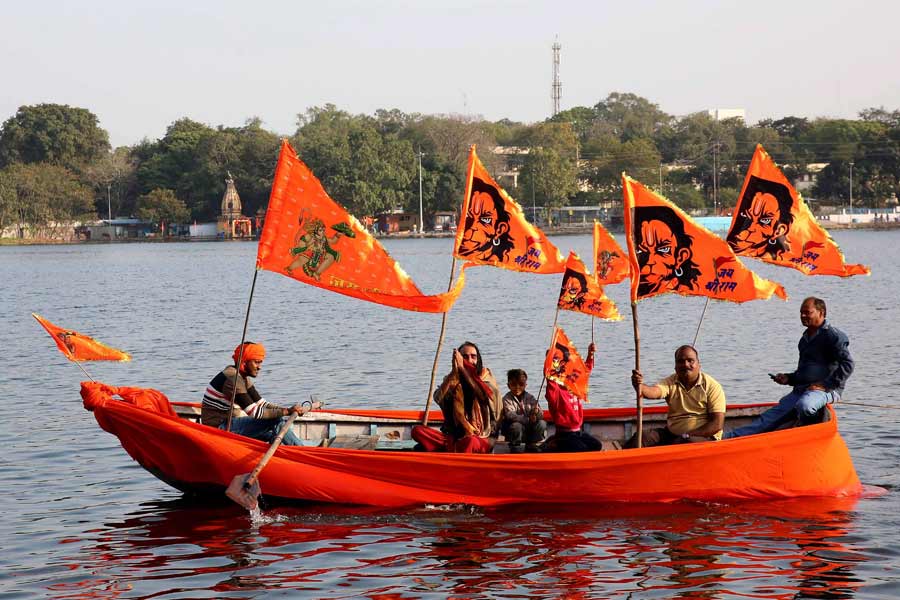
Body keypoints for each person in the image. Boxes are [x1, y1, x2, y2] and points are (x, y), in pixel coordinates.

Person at [725, 297, 853, 438]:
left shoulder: (833, 336)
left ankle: (806, 429)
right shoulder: (805, 339)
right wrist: (788, 378)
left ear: (821, 313)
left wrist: (826, 385)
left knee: (805, 406)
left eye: (807, 312)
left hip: (826, 390)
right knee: (766, 420)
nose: (803, 316)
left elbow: (848, 364)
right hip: (801, 389)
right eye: (801, 313)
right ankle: (727, 438)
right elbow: (805, 371)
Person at [201, 342, 303, 445]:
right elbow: (254, 412)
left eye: (260, 363)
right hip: (219, 428)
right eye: (256, 362)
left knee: (274, 433)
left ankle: (287, 454)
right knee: (274, 420)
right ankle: (302, 452)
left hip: (230, 422)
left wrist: (289, 410)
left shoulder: (242, 377)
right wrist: (286, 411)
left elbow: (262, 403)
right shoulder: (233, 378)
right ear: (244, 362)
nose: (259, 367)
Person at [625, 345, 726, 448]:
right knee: (643, 437)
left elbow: (717, 424)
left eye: (690, 360)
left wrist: (688, 435)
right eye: (681, 361)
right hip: (672, 435)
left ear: (699, 365)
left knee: (685, 442)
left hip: (704, 438)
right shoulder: (671, 382)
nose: (686, 365)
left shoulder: (712, 386)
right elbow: (653, 392)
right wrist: (639, 385)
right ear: (675, 367)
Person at [413, 341, 503, 453]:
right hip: (454, 436)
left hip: (481, 436)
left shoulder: (485, 377)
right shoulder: (453, 378)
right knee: (417, 431)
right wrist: (454, 373)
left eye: (473, 357)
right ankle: (453, 448)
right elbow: (438, 398)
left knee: (470, 442)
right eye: (465, 357)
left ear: (478, 359)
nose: (470, 360)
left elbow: (484, 395)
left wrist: (463, 370)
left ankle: (455, 455)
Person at [543, 342, 601, 452]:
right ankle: (554, 444)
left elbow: (585, 371)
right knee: (581, 449)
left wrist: (590, 354)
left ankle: (553, 443)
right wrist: (550, 360)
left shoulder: (575, 385)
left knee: (596, 445)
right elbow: (550, 376)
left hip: (577, 432)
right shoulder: (556, 391)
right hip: (564, 433)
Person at [633, 205, 702, 296]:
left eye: (664, 250)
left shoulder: (687, 288)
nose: (650, 261)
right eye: (640, 251)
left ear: (681, 257)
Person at [726, 176, 794, 259]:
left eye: (765, 221)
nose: (751, 228)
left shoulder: (774, 257)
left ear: (779, 230)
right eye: (747, 217)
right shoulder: (734, 246)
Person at [456, 177, 515, 262]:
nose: (473, 226)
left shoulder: (499, 259)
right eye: (469, 217)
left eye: (485, 220)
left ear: (499, 229)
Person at [501, 369, 546, 453]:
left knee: (542, 424)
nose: (517, 387)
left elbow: (541, 414)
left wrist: (536, 413)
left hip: (528, 430)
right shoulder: (506, 399)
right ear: (508, 385)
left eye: (521, 384)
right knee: (516, 426)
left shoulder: (530, 397)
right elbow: (510, 415)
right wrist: (528, 419)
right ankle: (515, 446)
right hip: (514, 431)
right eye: (513, 385)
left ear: (525, 385)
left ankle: (532, 444)